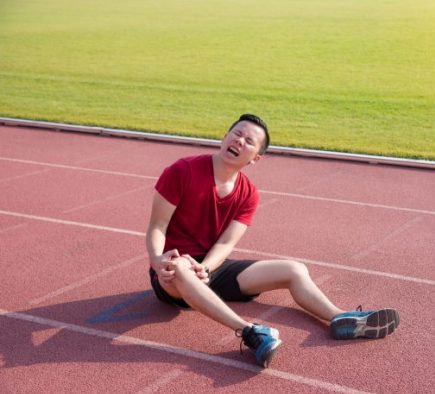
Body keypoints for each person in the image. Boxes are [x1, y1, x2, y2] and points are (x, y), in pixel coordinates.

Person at [145, 114, 400, 368]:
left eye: (249, 141)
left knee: (294, 269)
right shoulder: (183, 171)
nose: (240, 141)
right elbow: (157, 226)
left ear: (256, 158)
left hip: (211, 269)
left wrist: (206, 268)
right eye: (236, 134)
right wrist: (158, 260)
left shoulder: (249, 194)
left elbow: (225, 244)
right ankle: (249, 332)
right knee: (180, 267)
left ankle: (341, 318)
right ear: (225, 137)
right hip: (171, 272)